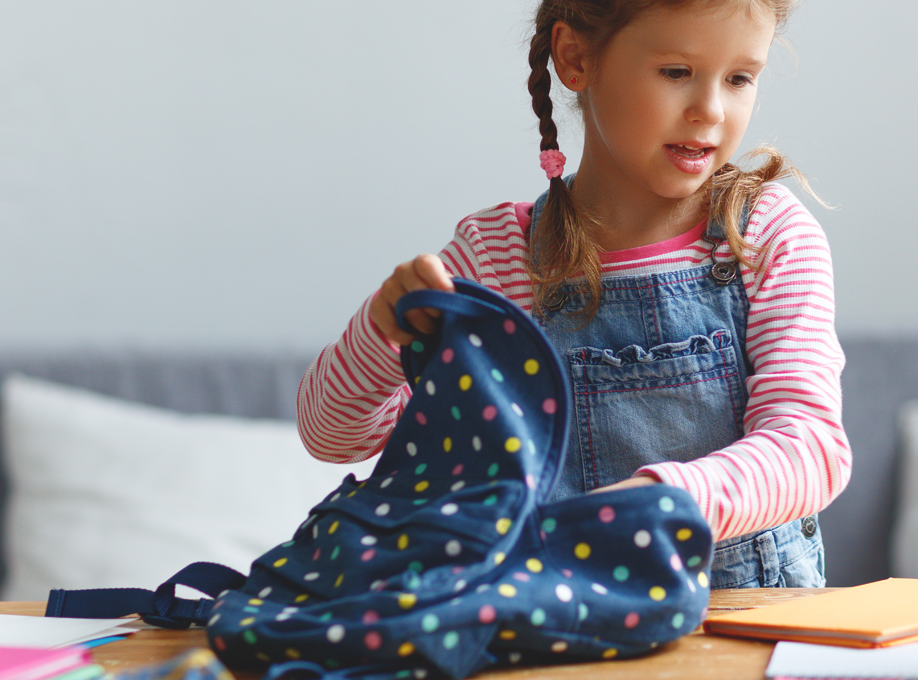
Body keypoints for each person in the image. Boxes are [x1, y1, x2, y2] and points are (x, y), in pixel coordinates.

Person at [297, 0, 851, 589]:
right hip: (563, 639)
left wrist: (658, 501)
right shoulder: (498, 258)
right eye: (676, 72)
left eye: (740, 78)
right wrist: (385, 329)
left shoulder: (764, 236)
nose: (711, 110)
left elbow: (809, 446)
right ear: (576, 58)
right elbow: (332, 435)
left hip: (749, 633)